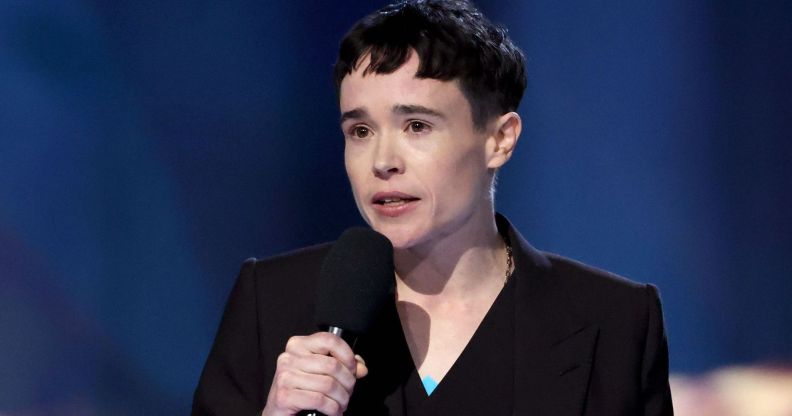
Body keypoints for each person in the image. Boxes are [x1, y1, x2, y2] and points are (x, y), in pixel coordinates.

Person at [192, 1, 674, 415]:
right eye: (360, 131)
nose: (382, 162)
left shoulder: (613, 321)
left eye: (417, 126)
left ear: (500, 139)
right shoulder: (272, 303)